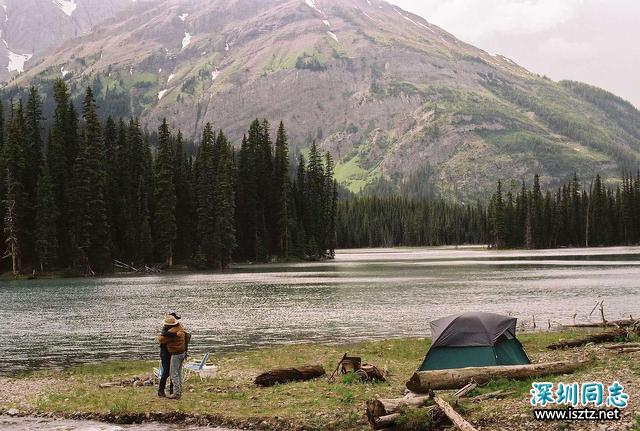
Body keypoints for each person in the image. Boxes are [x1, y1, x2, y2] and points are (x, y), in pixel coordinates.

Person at [157, 314, 186, 399]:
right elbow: (162, 339)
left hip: (174, 353)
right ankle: (163, 391)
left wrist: (174, 335)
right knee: (169, 372)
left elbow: (160, 339)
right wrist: (175, 335)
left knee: (173, 373)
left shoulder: (173, 330)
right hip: (167, 353)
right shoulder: (177, 329)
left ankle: (174, 392)